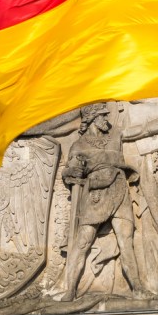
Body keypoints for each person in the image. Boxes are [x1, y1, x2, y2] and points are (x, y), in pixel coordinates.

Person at [62, 103, 142, 298]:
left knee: (126, 242)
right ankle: (70, 290)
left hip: (119, 189)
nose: (106, 120)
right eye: (103, 116)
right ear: (92, 118)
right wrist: (74, 171)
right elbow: (67, 173)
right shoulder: (79, 145)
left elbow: (141, 130)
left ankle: (138, 289)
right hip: (95, 195)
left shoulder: (115, 136)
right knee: (82, 242)